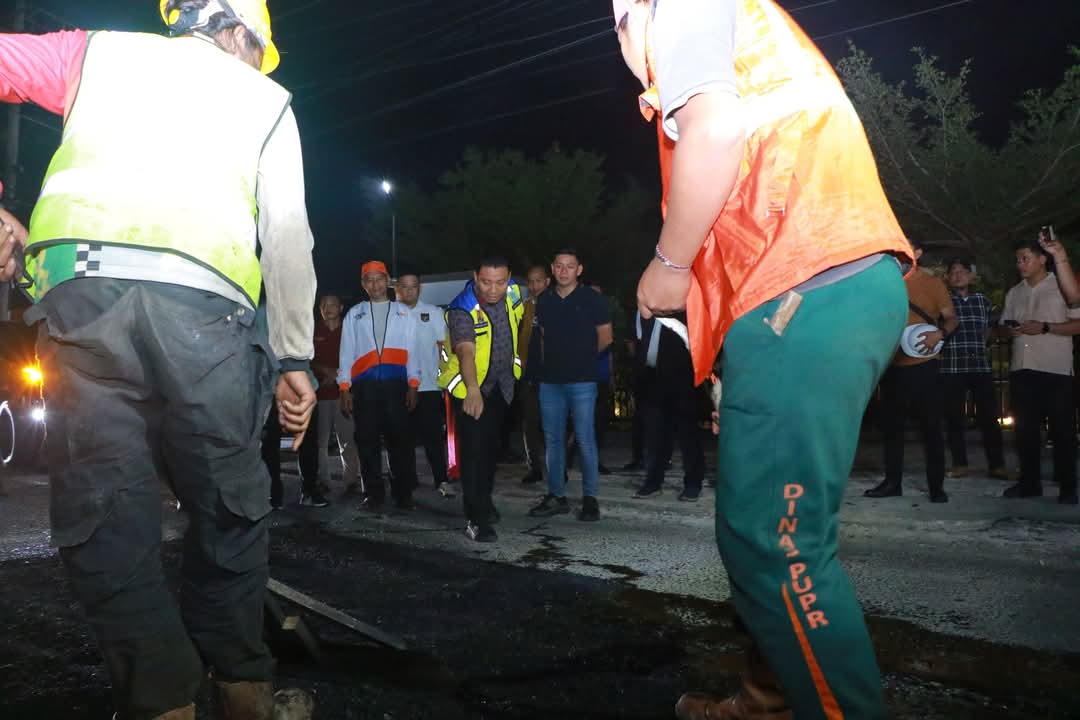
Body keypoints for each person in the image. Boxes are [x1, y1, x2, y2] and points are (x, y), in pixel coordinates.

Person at [0, 2, 318, 718]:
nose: (255, 63)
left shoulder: (95, 55)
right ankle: (244, 698)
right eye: (257, 49)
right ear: (237, 31)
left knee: (107, 517)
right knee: (231, 512)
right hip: (206, 322)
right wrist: (295, 355)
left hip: (85, 309)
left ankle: (163, 702)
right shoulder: (266, 100)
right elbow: (289, 237)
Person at [613, 1, 914, 718]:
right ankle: (766, 702)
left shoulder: (681, 7)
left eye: (617, 21)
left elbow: (715, 135)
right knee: (774, 531)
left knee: (773, 548)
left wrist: (668, 266)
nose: (620, 38)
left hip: (802, 289)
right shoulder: (748, 28)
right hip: (827, 292)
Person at [438, 257, 525, 542]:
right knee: (474, 455)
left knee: (490, 452)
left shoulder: (513, 292)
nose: (493, 289)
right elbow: (465, 351)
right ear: (475, 276)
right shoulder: (462, 308)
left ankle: (484, 502)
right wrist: (473, 391)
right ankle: (475, 518)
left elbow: (523, 318)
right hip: (471, 391)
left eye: (500, 282)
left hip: (503, 387)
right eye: (486, 282)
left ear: (509, 277)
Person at [866, 239, 958, 502]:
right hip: (894, 366)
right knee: (892, 429)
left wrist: (939, 334)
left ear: (917, 253)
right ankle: (892, 483)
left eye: (904, 249)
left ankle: (936, 487)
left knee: (931, 429)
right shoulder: (884, 285)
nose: (898, 254)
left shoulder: (932, 284)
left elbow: (951, 317)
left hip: (925, 366)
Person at [528, 249, 613, 521]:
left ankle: (590, 499)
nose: (564, 271)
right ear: (553, 269)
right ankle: (557, 496)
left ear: (579, 269)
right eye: (559, 266)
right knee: (553, 441)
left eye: (570, 266)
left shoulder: (592, 299)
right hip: (551, 382)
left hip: (582, 381)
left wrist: (583, 361)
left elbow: (606, 337)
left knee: (586, 440)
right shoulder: (544, 301)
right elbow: (541, 338)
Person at [993, 238, 1080, 505]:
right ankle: (1029, 483)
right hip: (1022, 368)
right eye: (1018, 259)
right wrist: (1009, 330)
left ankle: (1068, 487)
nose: (1020, 264)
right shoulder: (1014, 292)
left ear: (1043, 259)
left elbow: (1078, 325)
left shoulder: (1063, 287)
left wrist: (1046, 327)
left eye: (1025, 258)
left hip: (1055, 369)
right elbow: (1001, 328)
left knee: (1063, 431)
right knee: (1025, 432)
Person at [338, 261, 421, 510]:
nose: (375, 284)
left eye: (379, 279)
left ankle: (403, 496)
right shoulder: (355, 314)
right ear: (364, 285)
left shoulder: (404, 313)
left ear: (387, 281)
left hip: (396, 386)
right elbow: (346, 352)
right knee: (367, 442)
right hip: (365, 389)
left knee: (401, 443)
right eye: (369, 280)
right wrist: (344, 387)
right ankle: (373, 495)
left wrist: (413, 384)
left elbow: (413, 351)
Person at [939, 259, 1009, 480]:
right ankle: (960, 464)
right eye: (954, 272)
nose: (958, 276)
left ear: (971, 277)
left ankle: (997, 465)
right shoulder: (943, 302)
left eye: (963, 272)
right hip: (952, 366)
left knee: (990, 418)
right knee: (954, 418)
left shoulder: (983, 301)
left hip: (980, 366)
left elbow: (989, 331)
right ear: (948, 278)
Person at [631, 312, 705, 501]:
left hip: (681, 378)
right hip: (651, 379)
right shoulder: (643, 309)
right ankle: (653, 481)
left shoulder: (682, 307)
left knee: (687, 433)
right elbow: (638, 341)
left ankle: (693, 483)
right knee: (654, 434)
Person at [396, 272, 454, 498]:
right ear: (397, 289)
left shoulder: (434, 313)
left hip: (429, 386)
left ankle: (442, 479)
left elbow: (445, 348)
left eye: (413, 287)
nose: (409, 291)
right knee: (402, 438)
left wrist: (444, 381)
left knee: (433, 438)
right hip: (399, 386)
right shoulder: (392, 315)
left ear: (419, 289)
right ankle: (407, 481)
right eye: (404, 286)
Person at [311, 293, 360, 495]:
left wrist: (337, 375)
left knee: (347, 440)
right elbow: (308, 359)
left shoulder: (350, 330)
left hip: (344, 394)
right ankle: (323, 480)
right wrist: (325, 370)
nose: (327, 309)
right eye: (323, 305)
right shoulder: (313, 330)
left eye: (332, 304)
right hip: (319, 394)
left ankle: (351, 480)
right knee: (320, 442)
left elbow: (357, 357)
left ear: (340, 307)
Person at [518, 264, 550, 485]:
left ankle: (556, 466)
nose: (534, 285)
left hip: (552, 375)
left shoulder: (557, 305)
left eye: (539, 280)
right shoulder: (523, 307)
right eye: (531, 281)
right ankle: (534, 467)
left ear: (547, 282)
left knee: (553, 423)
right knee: (530, 423)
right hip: (528, 375)